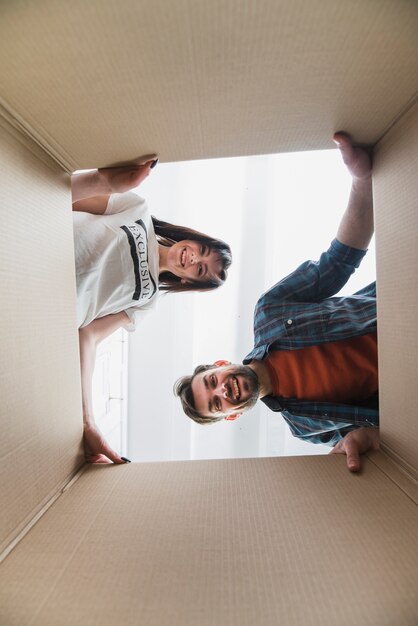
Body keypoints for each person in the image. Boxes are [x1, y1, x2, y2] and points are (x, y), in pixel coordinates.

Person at [175, 133, 380, 473]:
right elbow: (379, 435)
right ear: (233, 414)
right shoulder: (306, 429)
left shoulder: (270, 311)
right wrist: (366, 438)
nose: (223, 390)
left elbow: (339, 261)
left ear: (222, 363)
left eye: (213, 381)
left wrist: (362, 180)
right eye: (216, 404)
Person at [72, 157, 232, 463]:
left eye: (200, 270)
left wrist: (87, 420)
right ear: (193, 239)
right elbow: (60, 195)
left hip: (44, 311)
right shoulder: (137, 210)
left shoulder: (147, 301)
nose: (193, 259)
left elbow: (88, 336)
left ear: (189, 280)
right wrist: (102, 182)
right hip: (32, 244)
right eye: (202, 251)